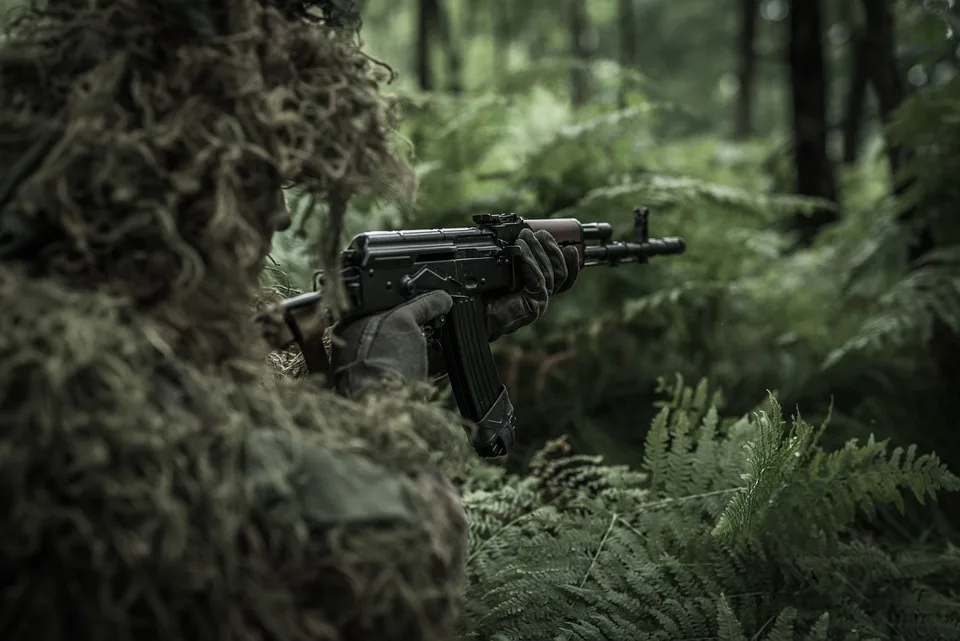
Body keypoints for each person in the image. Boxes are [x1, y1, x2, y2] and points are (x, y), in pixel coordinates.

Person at [0, 1, 577, 640]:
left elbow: (256, 380)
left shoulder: (72, 302)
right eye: (252, 179)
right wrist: (383, 392)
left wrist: (442, 340)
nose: (278, 213)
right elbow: (403, 562)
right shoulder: (83, 384)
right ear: (163, 184)